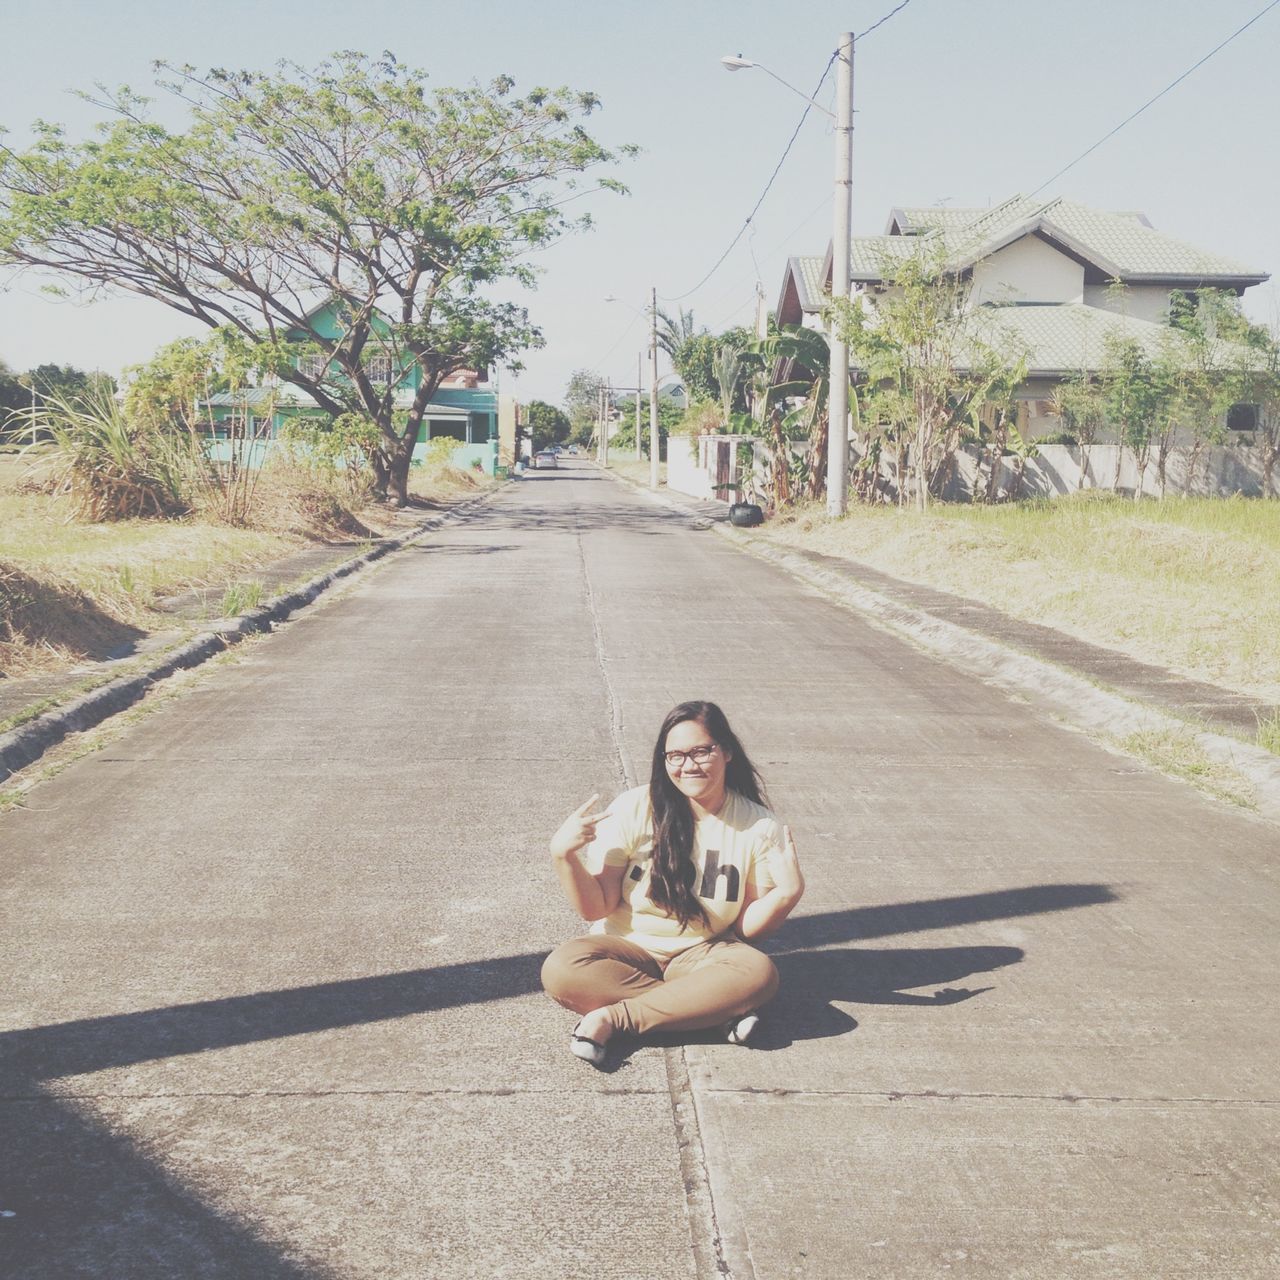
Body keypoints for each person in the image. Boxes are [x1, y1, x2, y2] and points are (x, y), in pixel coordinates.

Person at [541, 700, 804, 1067]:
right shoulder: (634, 808)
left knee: (758, 973)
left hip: (704, 954)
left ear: (726, 752)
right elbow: (596, 907)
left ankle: (614, 1019)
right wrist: (563, 857)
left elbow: (747, 930)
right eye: (675, 756)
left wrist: (787, 896)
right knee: (561, 968)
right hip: (625, 949)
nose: (687, 766)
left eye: (700, 752)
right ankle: (710, 1012)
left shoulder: (759, 827)